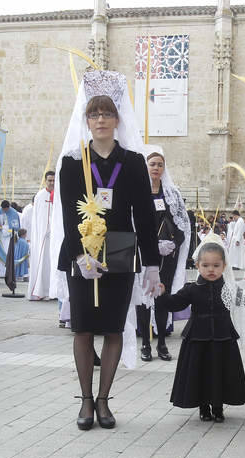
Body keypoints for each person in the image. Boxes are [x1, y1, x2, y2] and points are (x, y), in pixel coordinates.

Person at [53, 70, 161, 430]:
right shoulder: (72, 161)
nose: (101, 120)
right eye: (94, 114)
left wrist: (153, 265)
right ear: (86, 120)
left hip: (120, 249)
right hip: (82, 250)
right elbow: (68, 213)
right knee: (83, 329)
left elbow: (144, 216)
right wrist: (78, 256)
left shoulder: (131, 162)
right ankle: (85, 400)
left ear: (117, 120)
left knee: (113, 328)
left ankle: (104, 400)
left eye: (107, 114)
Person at [156, 237, 245, 422]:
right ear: (197, 265)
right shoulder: (192, 289)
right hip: (198, 337)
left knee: (219, 371)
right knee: (200, 371)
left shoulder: (229, 288)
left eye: (216, 265)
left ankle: (218, 406)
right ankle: (203, 407)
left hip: (223, 337)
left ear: (224, 266)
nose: (211, 269)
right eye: (206, 265)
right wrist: (162, 295)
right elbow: (175, 304)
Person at [131, 147, 190, 362]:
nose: (156, 168)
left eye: (159, 165)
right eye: (152, 164)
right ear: (146, 167)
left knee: (162, 298)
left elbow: (183, 223)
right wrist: (149, 244)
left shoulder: (171, 194)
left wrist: (172, 243)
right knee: (143, 298)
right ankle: (145, 343)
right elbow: (132, 223)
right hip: (143, 253)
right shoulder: (138, 191)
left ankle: (162, 343)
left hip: (166, 256)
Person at [27, 171, 55, 300]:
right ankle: (41, 291)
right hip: (43, 236)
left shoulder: (59, 194)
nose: (52, 183)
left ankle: (53, 291)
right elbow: (37, 218)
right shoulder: (40, 196)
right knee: (42, 263)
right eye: (49, 180)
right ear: (45, 181)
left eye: (54, 180)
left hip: (55, 236)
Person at [0, 200, 21, 277]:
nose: (4, 211)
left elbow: (15, 228)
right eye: (3, 209)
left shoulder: (14, 213)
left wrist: (4, 228)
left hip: (8, 237)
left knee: (6, 253)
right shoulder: (0, 210)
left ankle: (5, 273)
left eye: (5, 209)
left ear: (8, 207)